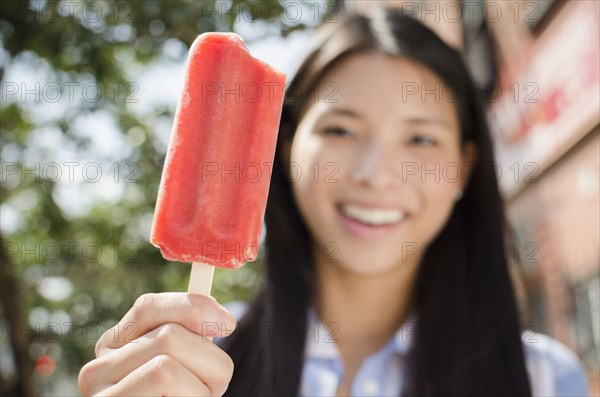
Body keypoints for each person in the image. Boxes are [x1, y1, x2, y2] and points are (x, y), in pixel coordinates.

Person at [78, 8, 590, 397]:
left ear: (464, 165)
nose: (375, 175)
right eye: (341, 129)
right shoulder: (186, 362)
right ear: (283, 149)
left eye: (421, 139)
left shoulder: (545, 380)